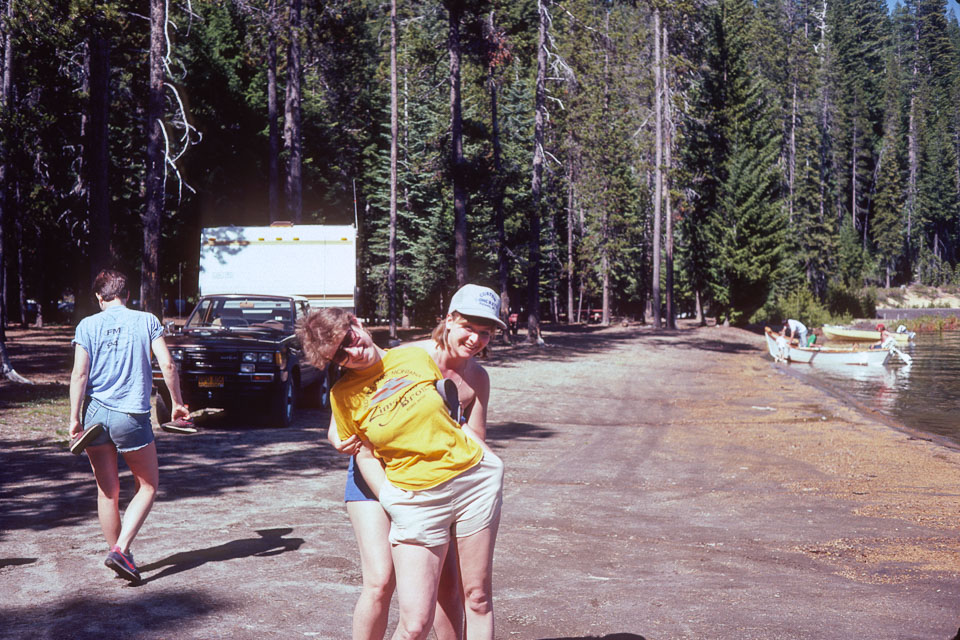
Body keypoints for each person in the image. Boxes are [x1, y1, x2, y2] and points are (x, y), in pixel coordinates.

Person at [298, 303, 504, 640]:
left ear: (357, 322)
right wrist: (393, 499)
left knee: (472, 593)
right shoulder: (344, 395)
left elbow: (451, 417)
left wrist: (492, 463)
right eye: (340, 355)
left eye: (350, 337)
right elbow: (358, 451)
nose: (353, 351)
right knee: (396, 602)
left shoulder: (416, 357)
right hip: (407, 492)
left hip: (467, 483)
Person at [68, 269, 190, 582]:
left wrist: (74, 419)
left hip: (95, 414)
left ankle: (121, 554)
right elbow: (168, 364)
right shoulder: (147, 320)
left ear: (99, 296)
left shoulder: (87, 325)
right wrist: (176, 403)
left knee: (107, 491)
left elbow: (80, 375)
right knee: (148, 485)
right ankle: (121, 550)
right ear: (128, 294)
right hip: (131, 416)